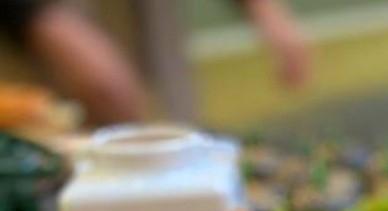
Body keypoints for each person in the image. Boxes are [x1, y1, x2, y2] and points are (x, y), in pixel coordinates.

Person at [0, 0, 311, 126]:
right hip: (41, 52)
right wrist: (35, 15)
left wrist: (265, 10)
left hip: (152, 44)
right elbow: (104, 85)